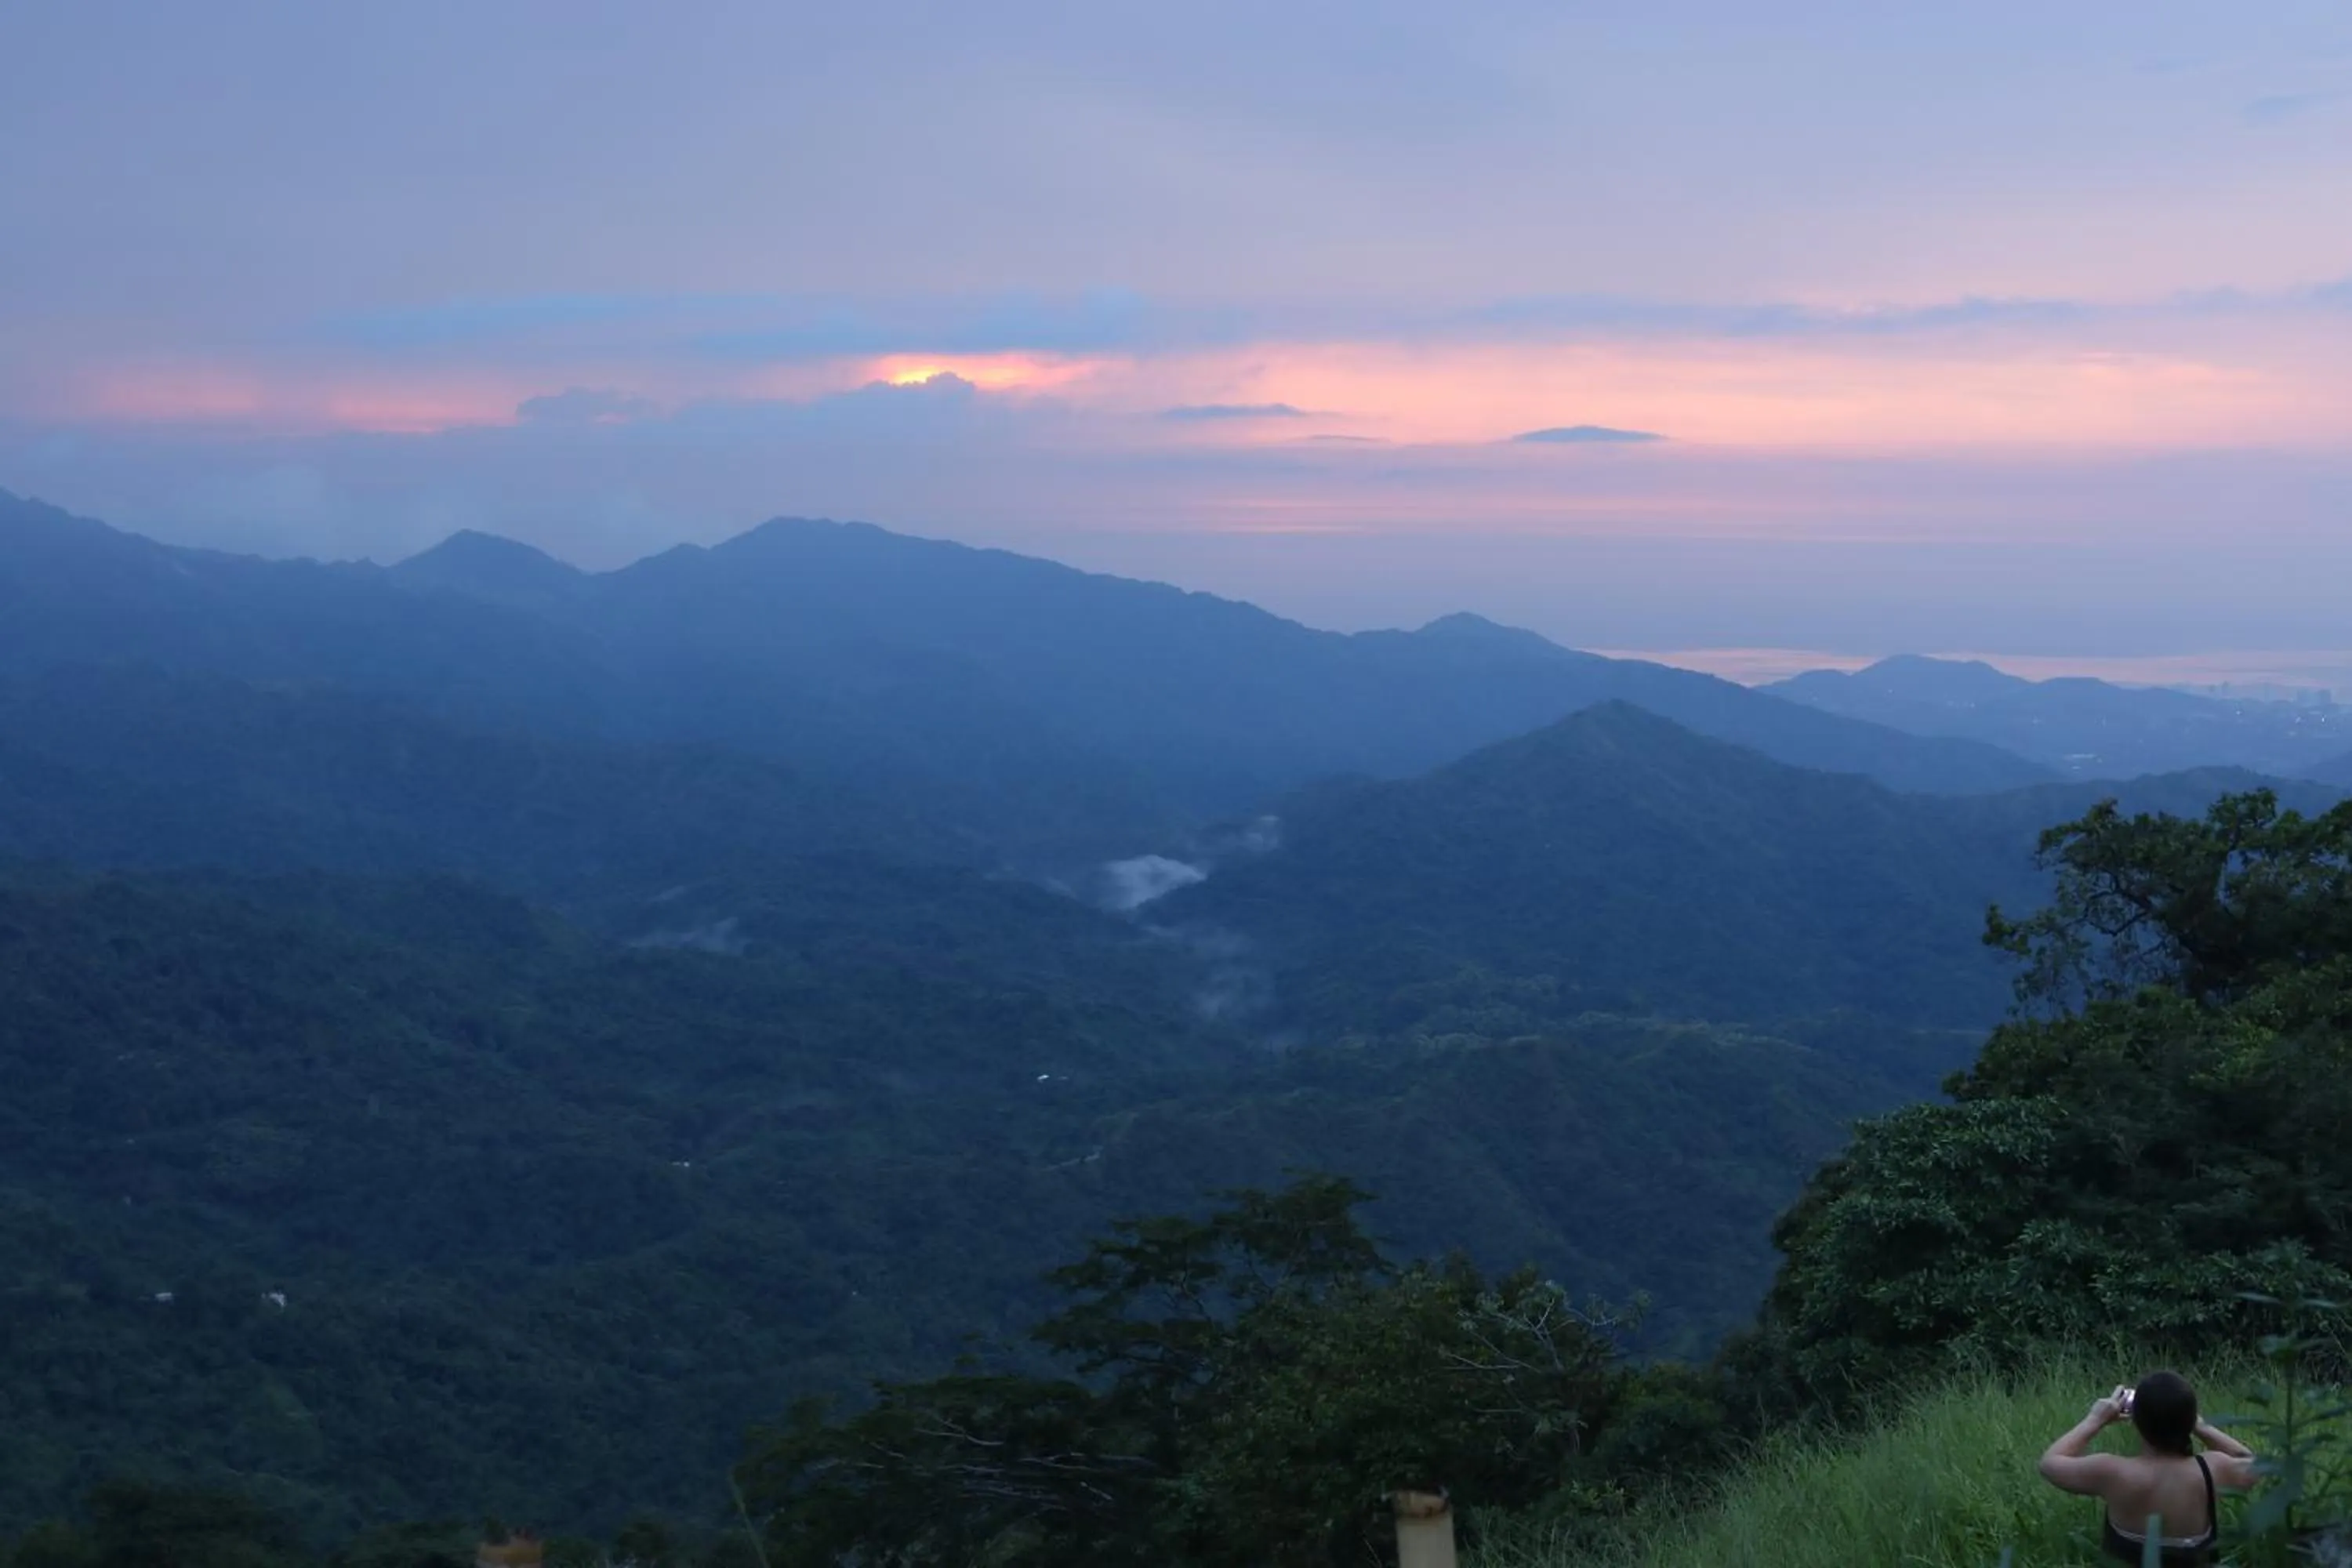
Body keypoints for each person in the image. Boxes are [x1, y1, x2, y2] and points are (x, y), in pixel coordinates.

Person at [2038, 1371, 2259, 1565]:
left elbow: (2049, 1463)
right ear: (2189, 1419)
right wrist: (2202, 1427)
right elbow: (2253, 1463)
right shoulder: (2211, 1469)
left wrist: (2095, 1420)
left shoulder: (2113, 1472)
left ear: (2136, 1420)